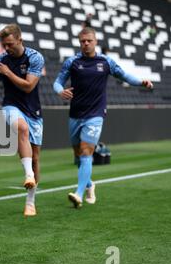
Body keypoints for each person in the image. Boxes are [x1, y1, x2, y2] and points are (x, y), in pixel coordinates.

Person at [53, 27, 153, 209]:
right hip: (75, 114)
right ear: (79, 42)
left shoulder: (106, 62)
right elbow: (57, 82)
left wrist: (141, 82)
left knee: (86, 152)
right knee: (78, 157)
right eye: (82, 41)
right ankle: (90, 185)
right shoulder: (72, 62)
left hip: (95, 114)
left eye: (89, 40)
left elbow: (124, 76)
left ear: (95, 41)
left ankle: (79, 194)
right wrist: (60, 91)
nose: (86, 44)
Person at [0, 23, 45, 217]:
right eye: (4, 45)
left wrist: (8, 73)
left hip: (33, 110)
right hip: (10, 105)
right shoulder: (0, 60)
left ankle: (30, 201)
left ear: (20, 40)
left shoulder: (35, 57)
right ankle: (29, 175)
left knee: (36, 157)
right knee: (21, 129)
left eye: (10, 44)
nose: (6, 48)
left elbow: (28, 86)